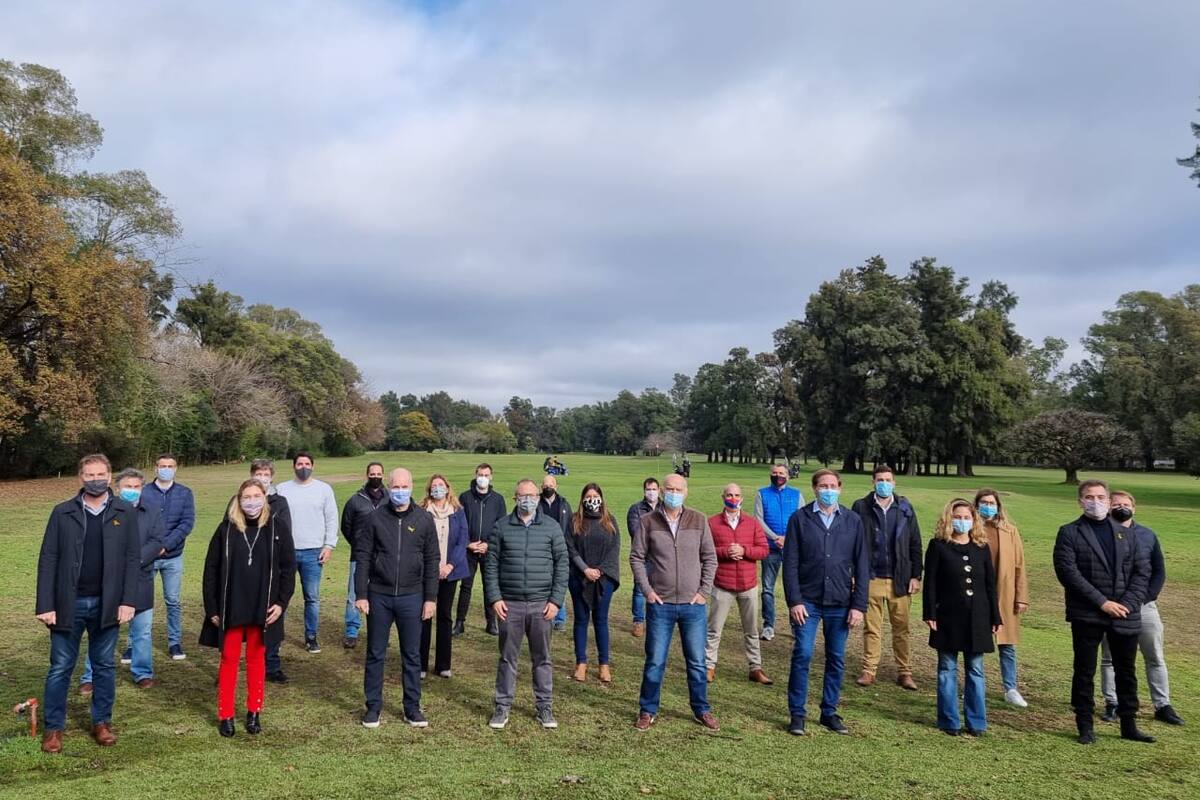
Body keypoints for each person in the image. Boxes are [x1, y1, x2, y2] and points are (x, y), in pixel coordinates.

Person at [36, 454, 140, 753]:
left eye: (101, 474)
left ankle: (102, 723)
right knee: (60, 667)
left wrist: (128, 600)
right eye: (89, 474)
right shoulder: (62, 512)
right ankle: (54, 728)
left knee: (104, 666)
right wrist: (46, 603)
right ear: (80, 477)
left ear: (110, 476)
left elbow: (133, 559)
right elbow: (48, 559)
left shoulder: (125, 512)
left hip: (108, 604)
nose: (96, 479)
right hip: (67, 603)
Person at [1053, 479, 1154, 744]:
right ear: (1080, 501)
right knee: (1085, 670)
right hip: (1088, 613)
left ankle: (1129, 723)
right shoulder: (1069, 532)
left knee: (1126, 670)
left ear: (1108, 501)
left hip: (1125, 613)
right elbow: (1068, 572)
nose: (1094, 502)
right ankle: (1085, 725)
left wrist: (1129, 604)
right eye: (1089, 497)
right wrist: (1102, 602)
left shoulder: (1128, 533)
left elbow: (1142, 572)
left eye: (1100, 497)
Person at [200, 479, 295, 737]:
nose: (251, 501)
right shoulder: (226, 529)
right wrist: (212, 609)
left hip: (263, 607)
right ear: (239, 500)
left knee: (256, 660)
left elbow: (288, 569)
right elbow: (211, 570)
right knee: (229, 659)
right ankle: (226, 715)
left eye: (256, 495)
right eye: (246, 496)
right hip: (232, 606)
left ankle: (254, 712)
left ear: (264, 497)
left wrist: (281, 603)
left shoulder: (278, 527)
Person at [783, 468, 868, 736]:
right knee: (803, 654)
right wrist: (794, 600)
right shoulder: (800, 519)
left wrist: (859, 605)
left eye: (832, 485)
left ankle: (829, 711)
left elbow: (862, 565)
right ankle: (797, 713)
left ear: (840, 488)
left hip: (841, 602)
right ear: (815, 488)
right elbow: (790, 564)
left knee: (836, 658)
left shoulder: (853, 521)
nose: (828, 490)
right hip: (807, 601)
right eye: (823, 485)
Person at [631, 473, 719, 732]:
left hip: (693, 606)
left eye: (678, 489)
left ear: (686, 492)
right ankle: (648, 709)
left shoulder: (699, 519)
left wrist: (704, 591)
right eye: (668, 488)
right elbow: (636, 558)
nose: (673, 493)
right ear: (661, 491)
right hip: (661, 605)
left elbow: (710, 558)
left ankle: (701, 708)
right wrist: (647, 590)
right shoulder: (647, 521)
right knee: (656, 660)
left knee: (697, 661)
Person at [354, 468, 439, 728]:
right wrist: (361, 594)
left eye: (405, 486)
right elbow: (364, 556)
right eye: (396, 486)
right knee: (375, 653)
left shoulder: (424, 519)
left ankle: (412, 708)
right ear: (389, 488)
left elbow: (432, 559)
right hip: (379, 595)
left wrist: (430, 598)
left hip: (412, 596)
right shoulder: (374, 518)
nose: (400, 490)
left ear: (412, 486)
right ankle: (373, 707)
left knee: (412, 655)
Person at [484, 479, 568, 730]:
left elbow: (562, 566)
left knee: (542, 658)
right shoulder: (501, 527)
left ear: (538, 498)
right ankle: (502, 706)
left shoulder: (552, 528)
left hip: (542, 605)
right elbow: (491, 566)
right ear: (515, 498)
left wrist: (556, 601)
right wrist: (495, 598)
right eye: (523, 496)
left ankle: (544, 706)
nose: (528, 500)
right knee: (507, 658)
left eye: (532, 495)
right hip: (510, 605)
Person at [1099, 491, 1184, 725]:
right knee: (1109, 658)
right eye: (1116, 504)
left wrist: (1145, 598)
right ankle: (1112, 702)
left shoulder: (1147, 535)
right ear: (1108, 507)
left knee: (1154, 655)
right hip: (1112, 607)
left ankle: (1162, 704)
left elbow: (1158, 571)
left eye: (1126, 504)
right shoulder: (1100, 534)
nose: (1121, 508)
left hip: (1144, 606)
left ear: (1134, 508)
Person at [80, 469, 164, 692]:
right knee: (100, 630)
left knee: (142, 631)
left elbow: (157, 540)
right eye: (128, 486)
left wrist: (134, 560)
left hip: (141, 578)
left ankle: (142, 672)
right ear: (117, 488)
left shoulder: (152, 510)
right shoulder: (106, 510)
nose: (133, 491)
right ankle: (90, 675)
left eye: (137, 487)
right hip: (108, 580)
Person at [923, 499, 1001, 736]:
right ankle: (949, 720)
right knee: (947, 668)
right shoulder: (938, 546)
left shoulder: (981, 547)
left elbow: (990, 584)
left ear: (974, 520)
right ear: (949, 518)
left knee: (975, 669)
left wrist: (995, 616)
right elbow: (931, 584)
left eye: (967, 517)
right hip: (947, 616)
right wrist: (930, 613)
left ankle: (976, 721)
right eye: (958, 517)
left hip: (977, 617)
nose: (962, 521)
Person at [851, 465, 922, 690]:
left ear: (894, 483)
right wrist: (854, 574)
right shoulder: (861, 507)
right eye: (880, 479)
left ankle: (905, 672)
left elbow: (915, 543)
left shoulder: (904, 508)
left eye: (888, 479)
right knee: (872, 627)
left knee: (901, 628)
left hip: (899, 579)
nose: (884, 483)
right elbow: (853, 543)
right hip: (871, 576)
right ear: (873, 482)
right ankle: (869, 670)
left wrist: (915, 575)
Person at [706, 483, 772, 686]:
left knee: (751, 629)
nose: (733, 498)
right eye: (729, 495)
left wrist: (744, 551)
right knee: (714, 629)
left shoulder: (752, 523)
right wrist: (727, 552)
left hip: (748, 584)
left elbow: (763, 550)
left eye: (736, 495)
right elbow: (706, 550)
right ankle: (708, 666)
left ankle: (755, 668)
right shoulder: (712, 523)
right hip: (722, 584)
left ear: (742, 498)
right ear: (723, 497)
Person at [276, 451, 338, 654]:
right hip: (286, 551)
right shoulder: (282, 489)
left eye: (307, 463)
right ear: (293, 466)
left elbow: (331, 518)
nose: (303, 466)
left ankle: (311, 637)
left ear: (313, 466)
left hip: (313, 552)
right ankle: (276, 635)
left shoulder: (323, 489)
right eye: (300, 463)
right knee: (281, 595)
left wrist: (329, 545)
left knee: (311, 597)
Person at [975, 488, 1030, 707]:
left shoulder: (1009, 531)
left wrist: (1021, 596)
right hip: (978, 593)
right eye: (983, 502)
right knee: (976, 642)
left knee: (1007, 643)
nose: (988, 506)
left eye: (991, 502)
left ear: (998, 506)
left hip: (1004, 593)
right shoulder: (972, 528)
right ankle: (975, 684)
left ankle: (1010, 687)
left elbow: (1019, 565)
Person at [141, 452, 195, 662]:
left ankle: (174, 642)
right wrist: (153, 547)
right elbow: (139, 521)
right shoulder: (144, 492)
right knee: (140, 600)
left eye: (170, 465)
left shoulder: (185, 493)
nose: (166, 469)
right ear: (155, 468)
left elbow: (186, 523)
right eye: (162, 465)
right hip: (147, 556)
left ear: (176, 468)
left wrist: (165, 545)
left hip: (173, 557)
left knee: (173, 600)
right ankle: (134, 643)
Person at [565, 483, 621, 685]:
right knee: (580, 620)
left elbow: (614, 549)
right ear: (582, 499)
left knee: (601, 620)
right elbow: (570, 548)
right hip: (579, 577)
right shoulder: (574, 521)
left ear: (601, 498)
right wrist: (585, 570)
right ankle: (581, 663)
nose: (592, 499)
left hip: (603, 579)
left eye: (595, 496)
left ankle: (604, 664)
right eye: (588, 496)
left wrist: (600, 571)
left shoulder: (610, 521)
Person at [249, 459, 294, 684]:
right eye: (258, 473)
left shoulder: (280, 502)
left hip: (272, 568)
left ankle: (272, 665)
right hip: (246, 568)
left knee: (273, 618)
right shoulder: (240, 500)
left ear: (272, 476)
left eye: (265, 473)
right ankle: (243, 663)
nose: (262, 477)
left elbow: (283, 532)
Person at [420, 474, 469, 678]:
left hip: (450, 571)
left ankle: (443, 664)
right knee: (424, 614)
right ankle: (421, 664)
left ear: (448, 488)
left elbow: (462, 540)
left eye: (441, 485)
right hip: (427, 571)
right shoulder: (422, 511)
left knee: (445, 615)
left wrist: (449, 565)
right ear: (429, 490)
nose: (437, 488)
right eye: (434, 486)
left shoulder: (458, 512)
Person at [339, 462, 388, 649]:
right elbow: (346, 526)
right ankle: (351, 631)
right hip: (359, 555)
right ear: (367, 475)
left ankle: (378, 631)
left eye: (379, 473)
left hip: (384, 555)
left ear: (383, 475)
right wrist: (359, 544)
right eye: (372, 473)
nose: (375, 476)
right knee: (354, 594)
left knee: (380, 594)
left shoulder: (389, 499)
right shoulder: (355, 500)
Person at [455, 463, 507, 637]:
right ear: (475, 475)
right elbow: (459, 524)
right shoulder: (465, 497)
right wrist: (468, 543)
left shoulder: (498, 499)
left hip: (488, 550)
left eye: (486, 474)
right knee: (466, 586)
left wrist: (488, 544)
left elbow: (501, 526)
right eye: (480, 474)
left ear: (491, 476)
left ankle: (491, 622)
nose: (483, 477)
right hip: (469, 550)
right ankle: (460, 622)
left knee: (489, 586)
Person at [755, 463, 803, 642]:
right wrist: (775, 537)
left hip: (792, 548)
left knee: (793, 587)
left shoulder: (796, 495)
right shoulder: (762, 494)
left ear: (788, 476)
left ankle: (795, 624)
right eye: (774, 473)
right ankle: (768, 625)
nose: (777, 475)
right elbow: (759, 519)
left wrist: (788, 538)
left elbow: (801, 519)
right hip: (770, 548)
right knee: (768, 588)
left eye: (781, 473)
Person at [625, 477, 661, 637]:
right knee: (640, 589)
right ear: (644, 491)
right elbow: (636, 531)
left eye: (654, 489)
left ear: (659, 490)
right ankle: (638, 621)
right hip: (643, 556)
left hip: (661, 556)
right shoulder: (635, 509)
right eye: (648, 489)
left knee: (660, 588)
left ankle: (657, 620)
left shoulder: (665, 507)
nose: (651, 492)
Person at [540, 474, 573, 631]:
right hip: (541, 549)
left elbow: (571, 527)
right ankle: (547, 615)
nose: (548, 487)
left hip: (560, 548)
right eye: (545, 485)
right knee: (544, 583)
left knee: (560, 582)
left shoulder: (564, 504)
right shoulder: (536, 503)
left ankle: (560, 617)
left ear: (556, 486)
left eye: (551, 485)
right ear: (541, 487)